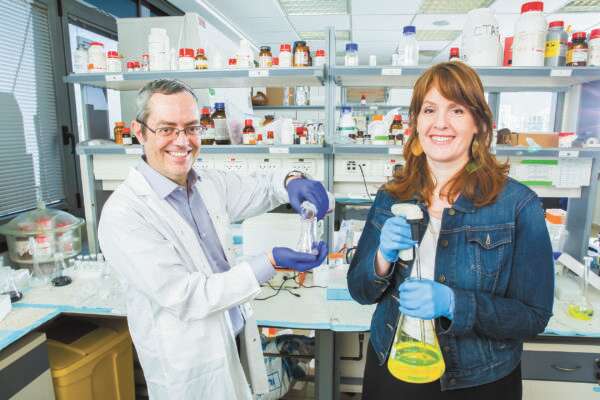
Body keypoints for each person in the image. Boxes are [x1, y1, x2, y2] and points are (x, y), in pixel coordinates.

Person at [98, 79, 329, 400]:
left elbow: (262, 186)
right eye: (167, 129)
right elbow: (187, 295)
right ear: (140, 132)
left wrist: (291, 180)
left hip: (236, 336)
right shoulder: (124, 213)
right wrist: (271, 261)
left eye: (192, 128)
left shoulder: (206, 182)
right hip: (191, 364)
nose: (182, 141)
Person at [347, 62, 554, 399]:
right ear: (416, 123)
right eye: (430, 110)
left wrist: (454, 304)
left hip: (480, 380)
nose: (440, 122)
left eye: (456, 110)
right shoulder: (392, 196)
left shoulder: (518, 205)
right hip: (395, 368)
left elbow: (533, 316)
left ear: (479, 124)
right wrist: (381, 259)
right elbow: (360, 291)